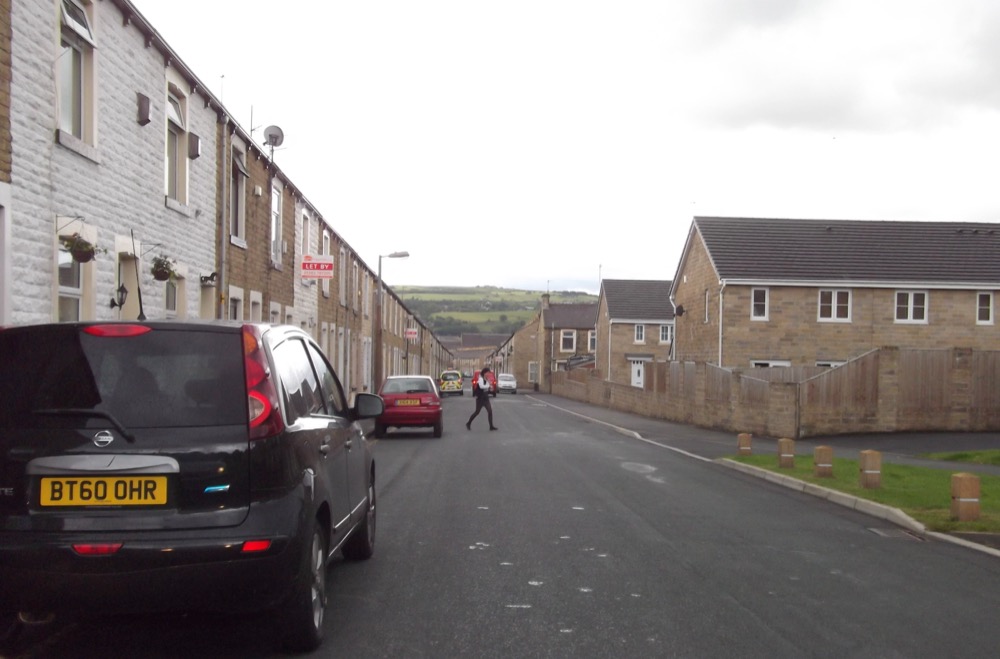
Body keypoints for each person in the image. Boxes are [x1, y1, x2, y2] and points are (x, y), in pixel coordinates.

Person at [466, 366, 498, 431]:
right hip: (480, 398)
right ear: (484, 373)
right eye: (487, 373)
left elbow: (486, 388)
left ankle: (491, 426)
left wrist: (490, 389)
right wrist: (488, 386)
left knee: (490, 411)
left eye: (489, 373)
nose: (488, 374)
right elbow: (482, 386)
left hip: (486, 397)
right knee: (477, 412)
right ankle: (468, 423)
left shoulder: (486, 379)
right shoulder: (480, 379)